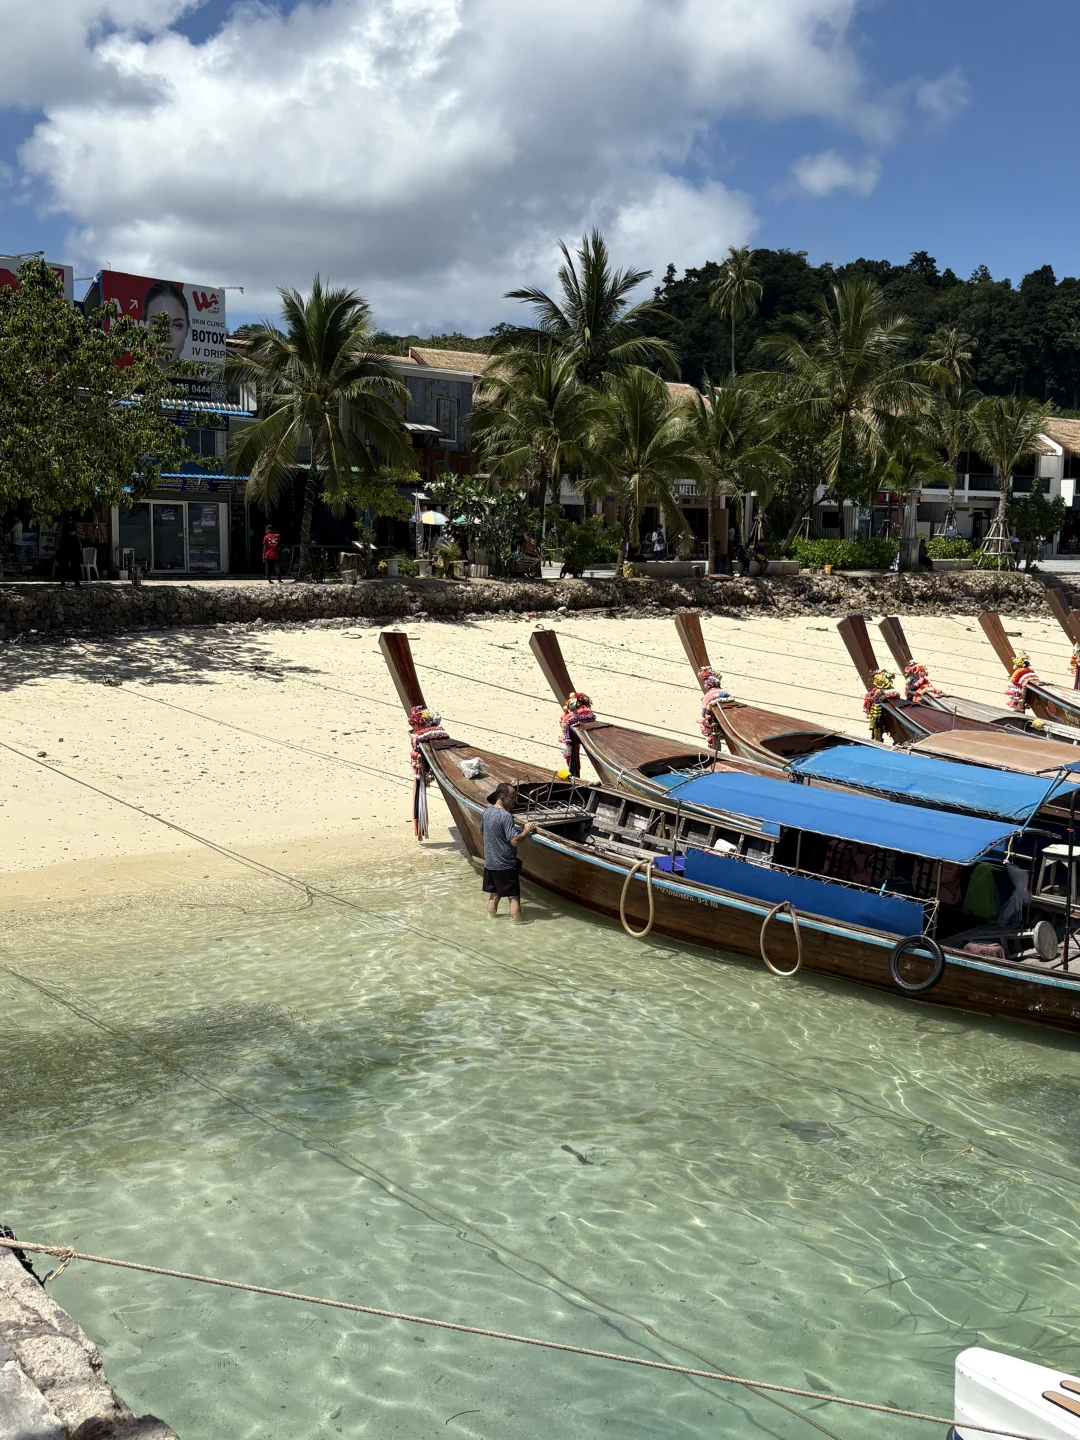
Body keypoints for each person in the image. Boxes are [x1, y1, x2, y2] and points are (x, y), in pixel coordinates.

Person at [481, 782, 537, 921]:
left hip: (490, 863)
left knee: (494, 895)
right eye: (512, 797)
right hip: (505, 865)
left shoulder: (487, 812)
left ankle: (490, 920)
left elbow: (482, 831)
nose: (515, 801)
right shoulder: (505, 816)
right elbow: (515, 841)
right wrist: (526, 831)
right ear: (501, 797)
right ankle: (517, 924)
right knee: (514, 898)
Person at [143, 280, 190, 369]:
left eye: (177, 325)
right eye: (157, 324)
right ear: (145, 327)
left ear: (187, 329)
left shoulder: (200, 377)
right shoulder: (127, 375)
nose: (168, 337)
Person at [56, 521, 83, 587]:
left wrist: (75, 534)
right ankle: (62, 581)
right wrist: (57, 547)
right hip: (64, 547)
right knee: (63, 565)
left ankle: (76, 581)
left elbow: (83, 536)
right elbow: (57, 536)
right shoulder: (61, 525)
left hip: (75, 548)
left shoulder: (77, 524)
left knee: (76, 565)